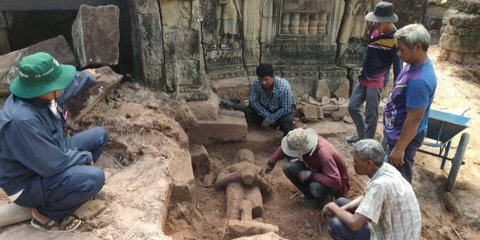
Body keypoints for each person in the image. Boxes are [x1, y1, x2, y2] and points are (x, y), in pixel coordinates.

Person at [0, 52, 107, 232]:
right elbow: (53, 164)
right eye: (57, 83)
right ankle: (46, 214)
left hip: (47, 154)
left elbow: (63, 91)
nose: (62, 85)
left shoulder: (37, 96)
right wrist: (84, 157)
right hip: (27, 181)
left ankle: (68, 189)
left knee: (99, 136)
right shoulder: (22, 121)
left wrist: (86, 77)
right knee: (95, 177)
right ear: (43, 89)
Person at [322, 139, 421, 240]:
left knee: (335, 225)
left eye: (356, 161)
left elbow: (354, 223)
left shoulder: (380, 185)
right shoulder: (385, 168)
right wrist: (342, 210)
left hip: (394, 236)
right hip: (400, 229)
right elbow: (366, 196)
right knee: (341, 202)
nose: (353, 164)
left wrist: (333, 207)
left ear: (369, 163)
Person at [383, 23, 436, 183]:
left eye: (402, 49)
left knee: (398, 180)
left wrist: (399, 149)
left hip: (403, 138)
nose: (398, 53)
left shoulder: (419, 81)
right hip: (396, 132)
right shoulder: (412, 65)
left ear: (418, 47)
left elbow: (414, 119)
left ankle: (400, 207)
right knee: (388, 173)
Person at [345, 1, 403, 143]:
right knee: (352, 107)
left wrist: (397, 88)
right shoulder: (376, 30)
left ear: (388, 21)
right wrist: (363, 65)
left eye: (378, 22)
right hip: (364, 76)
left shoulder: (396, 40)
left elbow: (398, 66)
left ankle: (367, 143)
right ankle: (362, 134)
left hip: (377, 80)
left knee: (371, 114)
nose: (375, 24)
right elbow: (368, 50)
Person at [264, 128, 350, 206]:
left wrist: (311, 175)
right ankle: (310, 196)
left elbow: (335, 181)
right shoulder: (303, 137)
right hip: (317, 172)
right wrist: (271, 162)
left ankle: (327, 201)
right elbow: (288, 145)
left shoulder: (324, 153)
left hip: (336, 185)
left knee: (315, 187)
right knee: (289, 168)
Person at [244, 63, 295, 136]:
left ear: (273, 76)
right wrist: (267, 116)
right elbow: (252, 100)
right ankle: (260, 130)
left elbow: (286, 108)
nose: (263, 83)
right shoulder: (256, 84)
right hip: (265, 110)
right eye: (260, 80)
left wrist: (269, 119)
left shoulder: (284, 86)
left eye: (266, 79)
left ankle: (286, 140)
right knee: (248, 111)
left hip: (280, 112)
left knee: (287, 121)